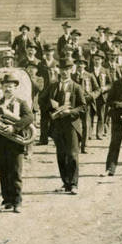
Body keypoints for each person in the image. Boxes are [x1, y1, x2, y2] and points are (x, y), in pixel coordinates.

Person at [0, 70, 34, 212]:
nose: (8, 89)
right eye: (5, 86)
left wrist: (14, 127)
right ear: (2, 88)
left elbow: (29, 117)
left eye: (10, 86)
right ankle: (6, 201)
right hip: (0, 142)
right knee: (3, 172)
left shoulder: (20, 102)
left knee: (15, 172)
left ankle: (17, 201)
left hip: (15, 142)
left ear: (15, 88)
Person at [47, 64, 86, 194]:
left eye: (67, 69)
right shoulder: (53, 86)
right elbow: (45, 102)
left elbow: (83, 107)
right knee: (61, 155)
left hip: (71, 125)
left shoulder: (76, 87)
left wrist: (70, 112)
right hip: (58, 125)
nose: (64, 72)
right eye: (62, 69)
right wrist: (52, 111)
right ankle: (66, 182)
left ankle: (74, 184)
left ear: (71, 70)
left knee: (73, 154)